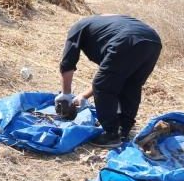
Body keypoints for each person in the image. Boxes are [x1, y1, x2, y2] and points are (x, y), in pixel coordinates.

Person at [55, 15, 162, 148]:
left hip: (127, 39)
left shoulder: (77, 28)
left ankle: (111, 134)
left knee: (103, 85)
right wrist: (83, 96)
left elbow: (67, 64)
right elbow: (111, 79)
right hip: (153, 41)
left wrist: (66, 94)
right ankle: (123, 129)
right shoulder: (106, 24)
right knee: (131, 85)